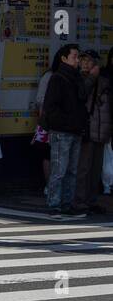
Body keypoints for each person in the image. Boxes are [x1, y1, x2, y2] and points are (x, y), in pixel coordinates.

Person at [42, 44, 86, 217]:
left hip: (75, 130)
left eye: (78, 56)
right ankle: (54, 204)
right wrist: (64, 122)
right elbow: (50, 107)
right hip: (62, 130)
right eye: (74, 56)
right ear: (64, 58)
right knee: (59, 170)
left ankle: (67, 204)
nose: (78, 59)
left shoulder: (77, 77)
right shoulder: (58, 78)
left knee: (71, 170)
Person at [76, 50, 110, 210]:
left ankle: (91, 199)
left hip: (101, 129)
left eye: (89, 61)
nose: (85, 64)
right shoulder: (79, 79)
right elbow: (81, 94)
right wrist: (91, 77)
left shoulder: (104, 82)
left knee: (96, 168)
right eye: (82, 60)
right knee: (83, 167)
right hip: (87, 129)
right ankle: (80, 199)